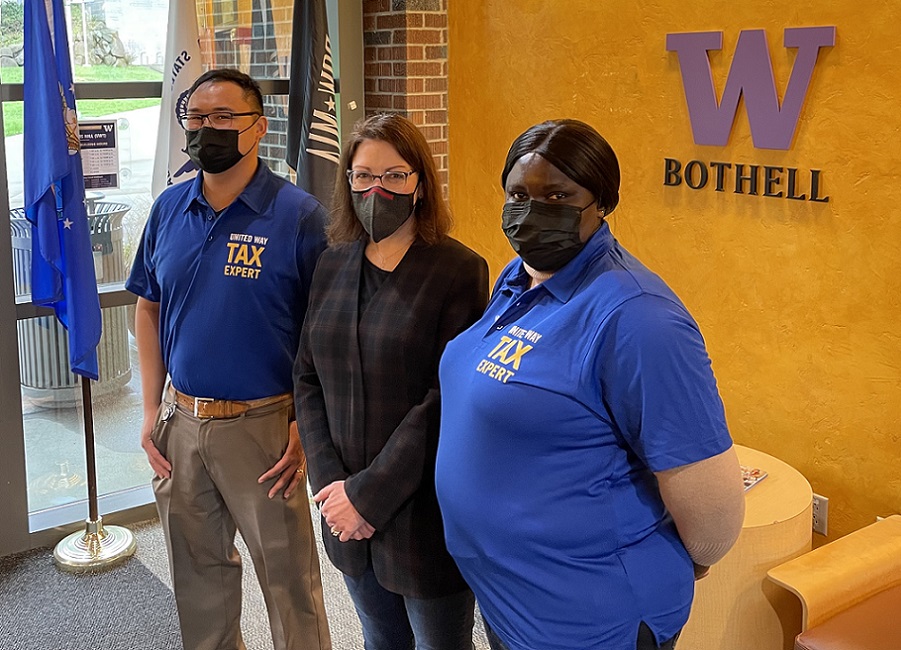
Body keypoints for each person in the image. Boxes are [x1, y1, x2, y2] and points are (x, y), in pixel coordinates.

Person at [435, 119, 746, 650]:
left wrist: (671, 554)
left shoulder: (640, 318)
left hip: (590, 619)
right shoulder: (519, 278)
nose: (532, 210)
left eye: (558, 195)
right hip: (512, 601)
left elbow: (714, 512)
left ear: (600, 202)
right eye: (518, 194)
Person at [126, 69, 331, 650]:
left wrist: (306, 428)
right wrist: (150, 413)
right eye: (197, 117)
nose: (207, 129)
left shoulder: (300, 216)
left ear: (259, 128)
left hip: (266, 431)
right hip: (181, 425)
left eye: (224, 117)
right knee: (198, 584)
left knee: (290, 587)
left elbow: (325, 334)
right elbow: (147, 308)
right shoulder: (169, 208)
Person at [294, 113, 489, 650]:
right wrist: (333, 487)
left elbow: (445, 399)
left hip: (420, 511)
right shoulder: (332, 263)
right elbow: (307, 377)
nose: (376, 189)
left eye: (394, 175)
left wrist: (367, 497)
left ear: (420, 183)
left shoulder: (459, 270)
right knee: (379, 638)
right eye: (363, 176)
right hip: (344, 509)